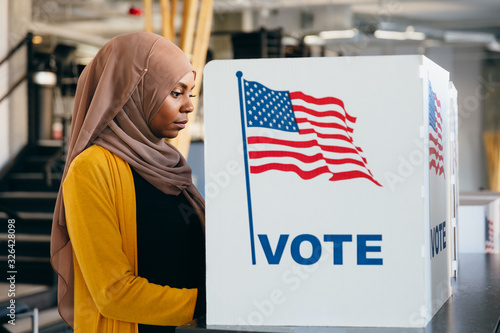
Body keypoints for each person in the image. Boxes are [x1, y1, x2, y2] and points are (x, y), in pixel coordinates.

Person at [50, 32, 206, 333]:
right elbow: (112, 291)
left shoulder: (171, 164)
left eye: (191, 93)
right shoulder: (91, 170)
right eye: (176, 92)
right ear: (132, 91)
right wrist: (204, 306)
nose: (188, 106)